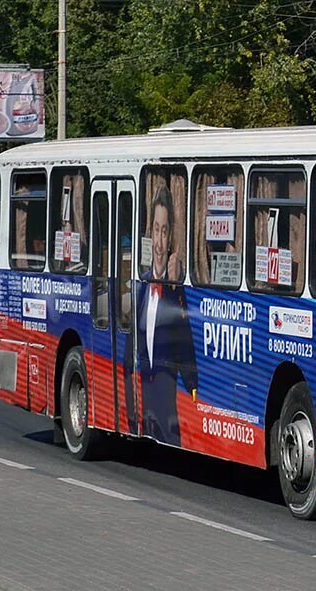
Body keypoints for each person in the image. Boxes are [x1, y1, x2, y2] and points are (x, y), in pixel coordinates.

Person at [125, 183, 198, 446]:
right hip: (142, 409)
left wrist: (194, 389)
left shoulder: (176, 291)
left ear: (170, 240)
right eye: (155, 230)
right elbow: (129, 354)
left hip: (169, 417)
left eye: (164, 232)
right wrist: (131, 410)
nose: (158, 241)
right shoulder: (142, 286)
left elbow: (186, 342)